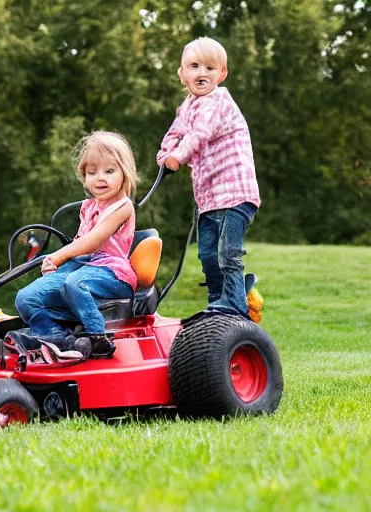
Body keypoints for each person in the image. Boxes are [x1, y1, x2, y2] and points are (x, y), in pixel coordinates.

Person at [155, 36, 261, 320]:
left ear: (222, 74)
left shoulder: (218, 101)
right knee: (207, 256)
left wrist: (179, 157)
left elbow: (199, 135)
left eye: (210, 68)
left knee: (228, 254)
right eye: (194, 66)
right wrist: (165, 155)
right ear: (182, 74)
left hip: (235, 194)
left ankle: (235, 306)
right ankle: (219, 302)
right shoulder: (187, 107)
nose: (202, 73)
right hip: (209, 199)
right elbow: (174, 135)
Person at [14, 131, 139, 359]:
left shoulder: (122, 206)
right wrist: (54, 263)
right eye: (92, 172)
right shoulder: (87, 207)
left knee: (74, 283)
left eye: (109, 171)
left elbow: (93, 240)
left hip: (111, 272)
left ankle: (97, 338)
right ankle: (60, 338)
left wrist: (60, 256)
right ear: (84, 176)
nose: (100, 178)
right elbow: (79, 243)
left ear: (125, 173)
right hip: (82, 266)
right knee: (26, 297)